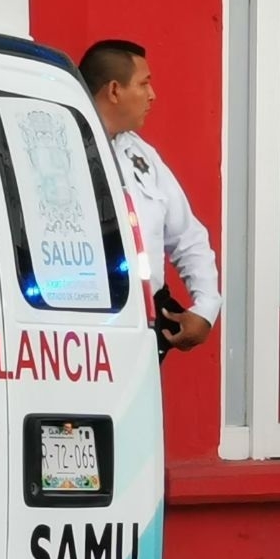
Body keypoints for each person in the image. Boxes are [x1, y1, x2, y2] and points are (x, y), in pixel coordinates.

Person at [79, 39, 220, 361]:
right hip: (84, 332)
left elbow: (187, 235)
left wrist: (207, 307)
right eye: (144, 84)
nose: (152, 95)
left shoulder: (141, 155)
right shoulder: (61, 149)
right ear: (114, 90)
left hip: (144, 329)